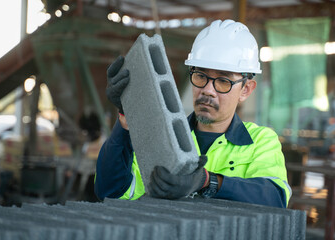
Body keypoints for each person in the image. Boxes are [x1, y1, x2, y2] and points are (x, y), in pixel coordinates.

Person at [94, 19, 291, 208]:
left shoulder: (260, 141)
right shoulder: (159, 138)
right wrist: (126, 120)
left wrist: (207, 181)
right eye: (201, 76)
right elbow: (109, 192)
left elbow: (274, 198)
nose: (208, 90)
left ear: (246, 89)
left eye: (223, 81)